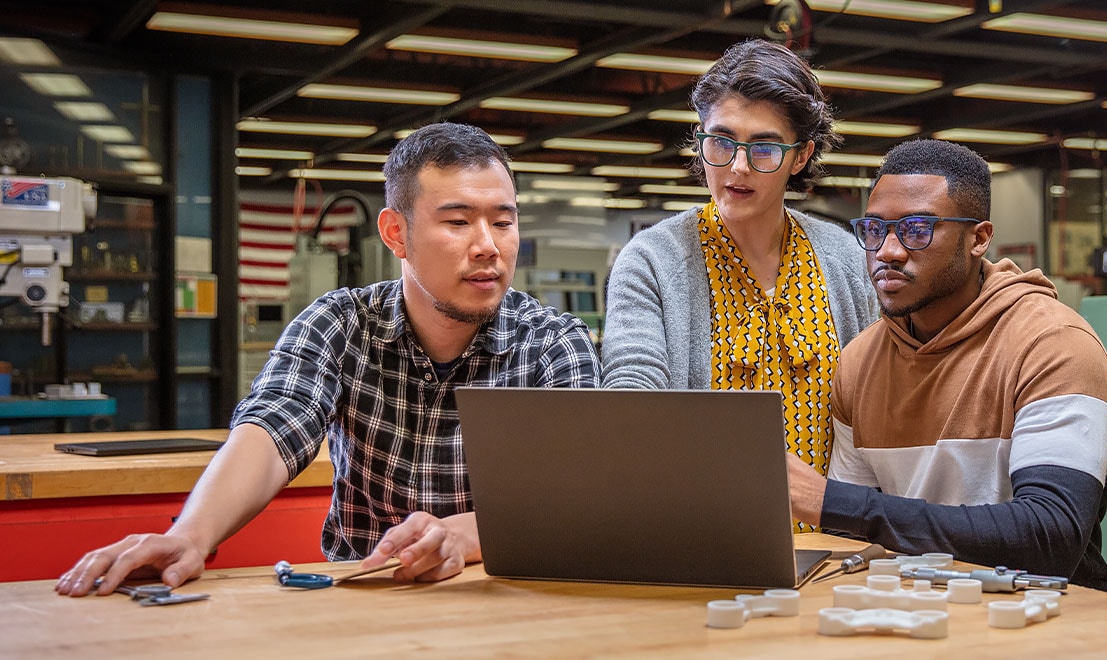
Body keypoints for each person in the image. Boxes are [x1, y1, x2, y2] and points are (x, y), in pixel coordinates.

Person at [57, 122, 602, 597]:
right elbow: (272, 429)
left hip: (512, 596)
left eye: (502, 222)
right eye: (458, 222)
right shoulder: (340, 325)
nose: (487, 245)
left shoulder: (553, 344)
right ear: (396, 233)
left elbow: (581, 492)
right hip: (368, 591)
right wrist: (190, 536)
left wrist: (467, 532)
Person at [786, 138, 1107, 594]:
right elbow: (853, 533)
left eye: (917, 229)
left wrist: (833, 502)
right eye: (873, 230)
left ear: (978, 238)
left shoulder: (1053, 345)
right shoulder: (860, 361)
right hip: (918, 611)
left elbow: (1050, 538)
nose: (887, 250)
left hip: (1048, 616)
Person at [601, 38, 877, 515]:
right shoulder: (652, 259)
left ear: (802, 155)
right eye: (722, 142)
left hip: (835, 542)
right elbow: (633, 390)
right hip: (704, 535)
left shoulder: (845, 258)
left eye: (765, 148)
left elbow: (879, 401)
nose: (738, 167)